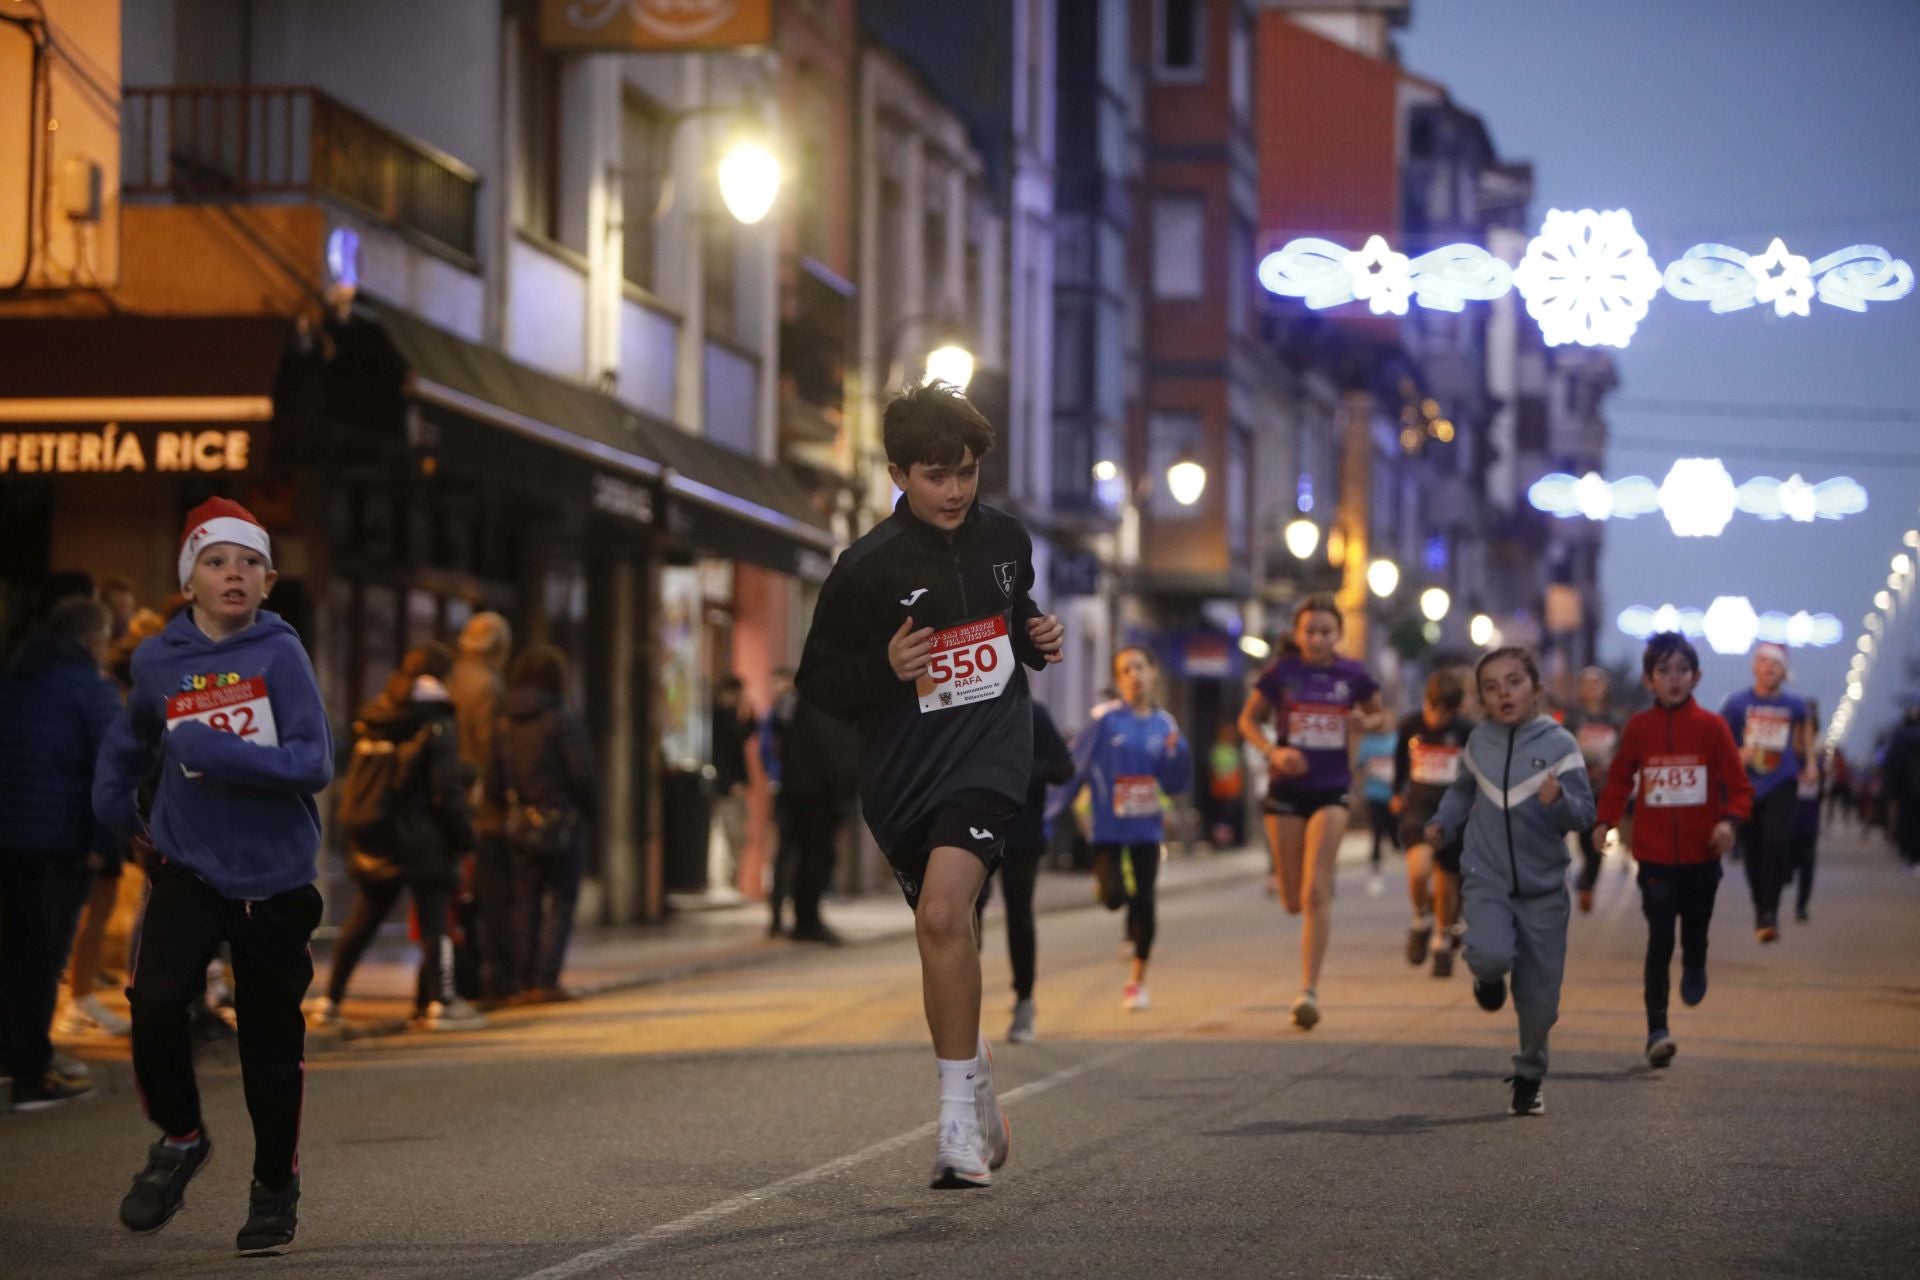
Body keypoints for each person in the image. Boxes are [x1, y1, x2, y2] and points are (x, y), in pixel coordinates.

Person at [794, 379, 1064, 1190]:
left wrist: (1040, 638)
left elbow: (1018, 627)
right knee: (946, 932)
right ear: (899, 474)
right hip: (905, 772)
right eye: (936, 474)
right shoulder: (866, 569)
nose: (954, 490)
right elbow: (818, 683)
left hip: (990, 750)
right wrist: (883, 667)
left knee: (946, 913)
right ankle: (973, 1070)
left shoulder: (1009, 542)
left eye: (967, 472)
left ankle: (953, 1130)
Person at [93, 498, 333, 1251]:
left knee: (267, 1048)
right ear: (189, 579)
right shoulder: (158, 660)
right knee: (156, 1001)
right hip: (190, 867)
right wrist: (113, 803)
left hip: (275, 878)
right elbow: (132, 740)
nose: (234, 573)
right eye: (216, 561)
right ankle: (180, 1138)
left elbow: (313, 764)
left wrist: (217, 750)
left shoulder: (279, 655)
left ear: (267, 581)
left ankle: (273, 1189)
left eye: (249, 562)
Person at [1426, 646, 1593, 1118]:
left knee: (1540, 1005)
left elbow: (1584, 813)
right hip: (1487, 876)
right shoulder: (1479, 742)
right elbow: (1461, 792)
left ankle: (1529, 1075)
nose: (1504, 693)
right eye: (1492, 687)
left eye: (1514, 682)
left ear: (1536, 690)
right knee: (1489, 952)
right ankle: (1488, 976)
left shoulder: (1561, 746)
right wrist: (1444, 823)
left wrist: (1558, 801)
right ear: (1481, 699)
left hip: (1542, 890)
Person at [1594, 632, 1752, 1068]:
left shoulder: (1712, 728)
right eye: (1663, 671)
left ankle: (1697, 961)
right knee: (1660, 936)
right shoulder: (1639, 729)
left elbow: (1739, 788)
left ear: (1696, 676)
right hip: (1656, 855)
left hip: (1704, 856)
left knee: (1694, 929)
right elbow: (1621, 780)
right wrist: (1604, 821)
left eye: (1682, 669)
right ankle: (1657, 1031)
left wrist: (1729, 821)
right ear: (1649, 680)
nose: (1674, 678)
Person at [311, 644, 483, 1032]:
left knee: (363, 918)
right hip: (424, 838)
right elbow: (445, 791)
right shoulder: (437, 720)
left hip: (378, 832)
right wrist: (464, 836)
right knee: (435, 918)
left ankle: (330, 1000)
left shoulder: (379, 714)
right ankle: (441, 1001)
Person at [1236, 595, 1386, 1031]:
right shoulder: (1282, 673)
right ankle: (1303, 933)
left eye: (1326, 631)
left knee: (1315, 890)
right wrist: (1273, 751)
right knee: (1290, 899)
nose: (1318, 638)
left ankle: (1309, 992)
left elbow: (1382, 715)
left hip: (1331, 790)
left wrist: (1365, 721)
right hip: (1286, 791)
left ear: (1338, 635)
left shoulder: (1353, 674)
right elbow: (1247, 721)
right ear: (1298, 634)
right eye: (1310, 631)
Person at [0, 596, 122, 1107]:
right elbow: (110, 770)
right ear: (92, 639)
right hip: (58, 842)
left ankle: (10, 1060)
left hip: (9, 839)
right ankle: (33, 1073)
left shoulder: (14, 679)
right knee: (42, 959)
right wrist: (103, 844)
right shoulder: (90, 691)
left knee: (10, 954)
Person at [1061, 648, 1193, 1013]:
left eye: (1140, 667)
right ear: (1118, 681)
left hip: (1147, 828)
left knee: (1145, 901)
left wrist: (1176, 754)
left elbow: (1174, 781)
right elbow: (1075, 766)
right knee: (1113, 898)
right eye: (1125, 670)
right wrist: (1053, 807)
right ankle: (1108, 887)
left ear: (1153, 673)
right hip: (1109, 828)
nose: (1134, 675)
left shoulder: (1165, 724)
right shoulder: (1103, 721)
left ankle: (1137, 982)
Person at [487, 644, 598, 1003]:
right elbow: (582, 774)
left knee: (524, 902)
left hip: (520, 822)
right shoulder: (561, 717)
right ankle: (546, 979)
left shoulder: (504, 721)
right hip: (560, 821)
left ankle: (523, 979)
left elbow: (494, 779)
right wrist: (587, 811)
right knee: (561, 902)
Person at [988, 700, 1074, 1042]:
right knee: (965, 914)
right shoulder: (962, 704)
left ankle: (1024, 1000)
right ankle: (964, 1003)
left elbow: (1063, 767)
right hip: (968, 828)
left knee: (1019, 914)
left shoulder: (1030, 712)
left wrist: (1023, 771)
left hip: (1021, 832)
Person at [1720, 642, 1816, 941]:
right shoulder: (1737, 704)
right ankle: (1760, 906)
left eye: (1776, 664)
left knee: (1776, 843)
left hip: (1783, 781)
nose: (1769, 668)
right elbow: (1719, 741)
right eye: (1763, 662)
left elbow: (1806, 735)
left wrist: (1811, 764)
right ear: (1754, 667)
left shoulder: (1795, 706)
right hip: (1748, 785)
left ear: (1784, 671)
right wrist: (1737, 755)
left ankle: (1769, 912)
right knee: (1753, 849)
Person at [447, 612, 513, 1003]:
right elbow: (489, 748)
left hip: (452, 799)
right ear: (500, 648)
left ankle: (459, 976)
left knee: (460, 896)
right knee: (488, 895)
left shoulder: (453, 676)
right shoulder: (488, 685)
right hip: (480, 806)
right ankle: (486, 977)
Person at [1392, 670, 1474, 979]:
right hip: (1419, 807)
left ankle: (1442, 941)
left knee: (1446, 883)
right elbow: (1400, 763)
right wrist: (1396, 794)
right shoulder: (1410, 726)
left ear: (1455, 710)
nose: (1437, 717)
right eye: (1433, 708)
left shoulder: (1467, 731)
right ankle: (1419, 921)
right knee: (1419, 870)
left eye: (1445, 712)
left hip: (1454, 812)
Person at [769, 672, 860, 944]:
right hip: (816, 795)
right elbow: (833, 753)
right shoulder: (821, 704)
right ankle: (806, 921)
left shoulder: (798, 702)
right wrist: (843, 789)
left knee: (799, 856)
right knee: (814, 858)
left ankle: (798, 919)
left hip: (799, 792)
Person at [1563, 667, 1625, 912]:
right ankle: (1583, 877)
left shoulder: (1614, 719)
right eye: (1587, 684)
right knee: (1583, 839)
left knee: (1598, 837)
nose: (1592, 689)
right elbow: (1563, 747)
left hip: (1604, 788)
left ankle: (1587, 884)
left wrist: (1609, 769)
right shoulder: (1574, 718)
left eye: (1597, 684)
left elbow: (1622, 753)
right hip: (1579, 786)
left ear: (1605, 689)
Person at [710, 675, 753, 895]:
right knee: (731, 833)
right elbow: (719, 754)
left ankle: (729, 879)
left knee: (737, 834)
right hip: (727, 785)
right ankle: (724, 881)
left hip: (733, 783)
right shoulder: (717, 718)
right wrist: (730, 781)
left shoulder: (730, 716)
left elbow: (745, 735)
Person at [1788, 701, 1823, 924]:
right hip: (1785, 821)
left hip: (1809, 821)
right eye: (1801, 732)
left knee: (1808, 862)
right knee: (1786, 865)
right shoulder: (1785, 761)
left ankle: (1802, 905)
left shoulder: (1817, 761)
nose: (1804, 738)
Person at [1356, 721, 1398, 896]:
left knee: (1396, 836)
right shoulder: (1368, 743)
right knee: (1377, 834)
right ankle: (1375, 872)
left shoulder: (1396, 740)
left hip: (1394, 798)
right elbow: (1360, 767)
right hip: (1374, 794)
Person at [1205, 722, 1247, 849]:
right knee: (1220, 817)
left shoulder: (1234, 750)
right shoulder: (1217, 750)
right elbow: (1213, 769)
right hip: (1220, 790)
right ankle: (1220, 841)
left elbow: (1239, 770)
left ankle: (1230, 839)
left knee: (1231, 816)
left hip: (1233, 790)